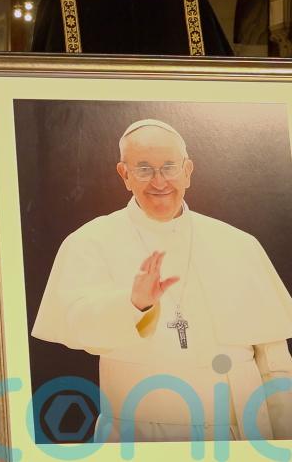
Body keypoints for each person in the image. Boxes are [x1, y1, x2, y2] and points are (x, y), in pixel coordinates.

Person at [32, 119, 292, 442]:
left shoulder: (238, 244)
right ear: (124, 175)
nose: (159, 181)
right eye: (143, 169)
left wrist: (284, 441)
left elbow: (274, 359)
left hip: (238, 434)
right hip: (139, 437)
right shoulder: (90, 241)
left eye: (169, 167)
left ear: (188, 170)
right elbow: (77, 324)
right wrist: (133, 304)